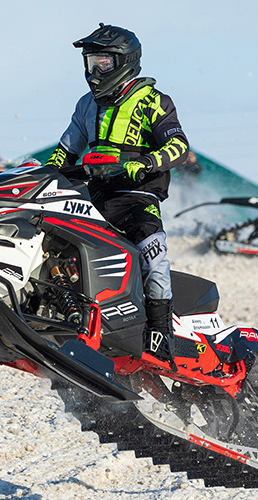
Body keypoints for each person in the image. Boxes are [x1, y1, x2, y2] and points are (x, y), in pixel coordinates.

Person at [45, 23, 189, 364]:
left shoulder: (153, 102)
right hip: (92, 197)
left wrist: (147, 163)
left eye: (103, 63)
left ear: (125, 61)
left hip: (136, 197)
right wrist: (45, 175)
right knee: (54, 243)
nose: (93, 72)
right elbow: (64, 152)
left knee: (151, 253)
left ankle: (160, 331)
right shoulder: (86, 106)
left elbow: (179, 146)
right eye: (90, 62)